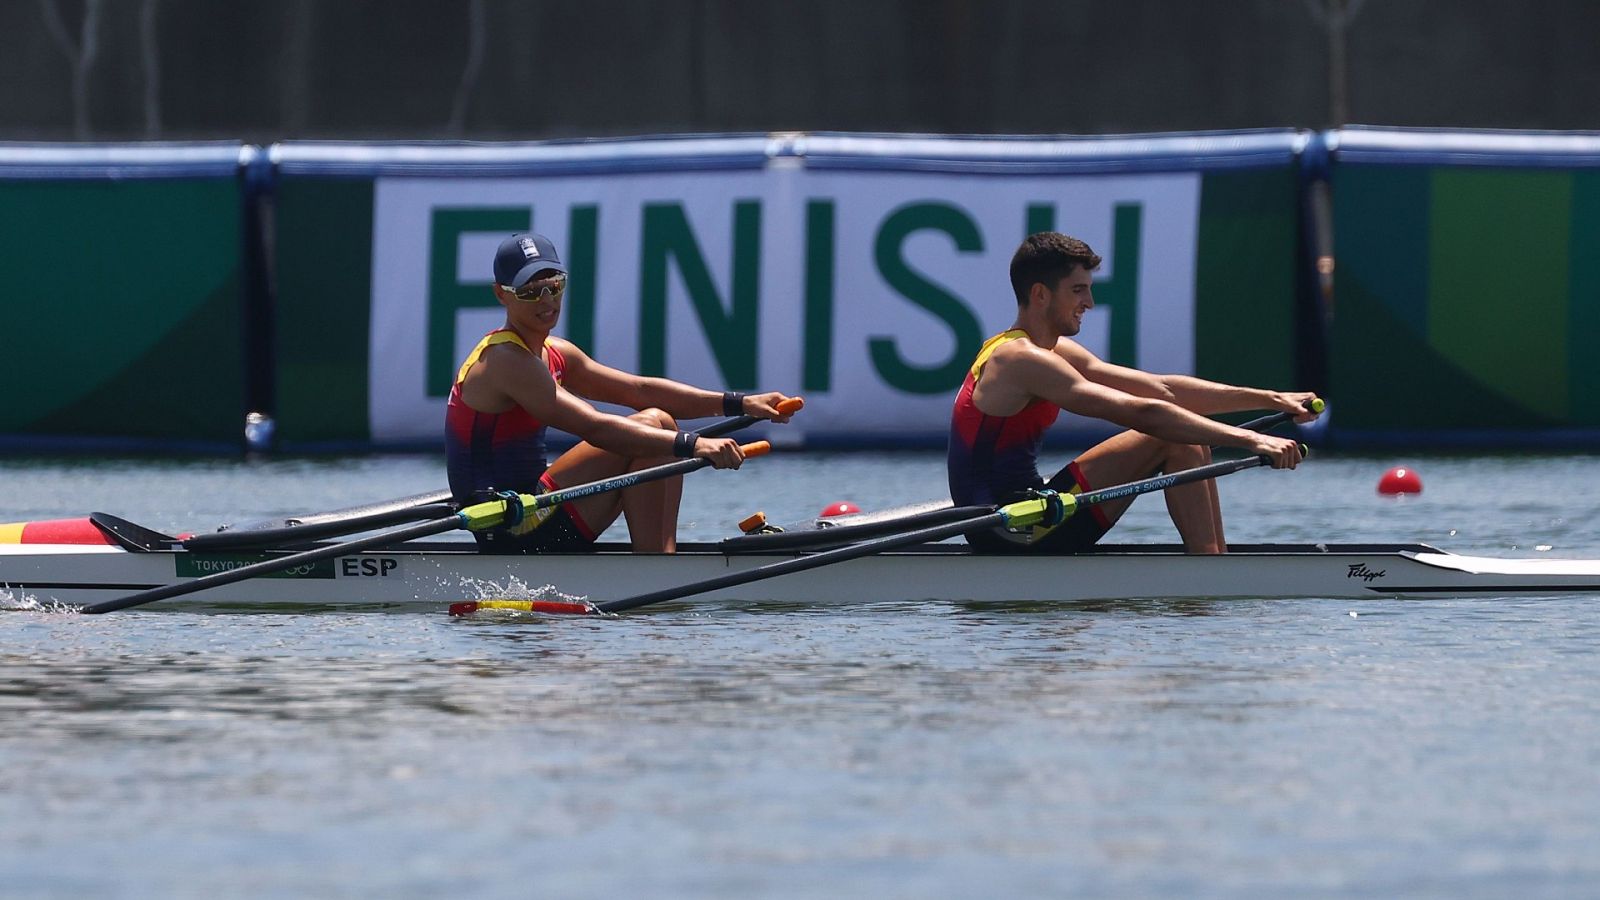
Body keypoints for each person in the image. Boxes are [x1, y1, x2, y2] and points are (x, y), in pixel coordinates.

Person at [948, 231, 1319, 555]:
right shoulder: (1019, 359)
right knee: (1175, 439)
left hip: (1037, 508)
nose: (1089, 303)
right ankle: (1211, 576)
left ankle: (1214, 561)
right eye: (1078, 290)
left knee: (1189, 434)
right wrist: (1251, 439)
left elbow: (1163, 389)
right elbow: (1144, 413)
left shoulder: (1049, 350)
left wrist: (1272, 398)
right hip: (1007, 529)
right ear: (1041, 294)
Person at [448, 233, 795, 553]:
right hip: (508, 526)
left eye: (553, 285)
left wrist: (741, 403)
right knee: (655, 426)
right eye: (528, 290)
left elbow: (639, 389)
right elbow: (595, 428)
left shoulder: (555, 352)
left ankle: (658, 562)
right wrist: (696, 444)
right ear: (500, 294)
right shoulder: (505, 360)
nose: (545, 299)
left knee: (657, 419)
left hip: (537, 508)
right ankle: (655, 567)